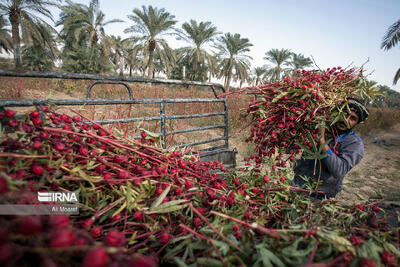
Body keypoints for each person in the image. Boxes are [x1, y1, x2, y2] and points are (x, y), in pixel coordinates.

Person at [292, 98, 369, 199]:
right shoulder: (320, 126)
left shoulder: (355, 143)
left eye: (352, 118)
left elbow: (339, 170)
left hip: (320, 195)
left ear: (356, 123)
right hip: (297, 185)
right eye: (345, 113)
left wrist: (322, 140)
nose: (346, 120)